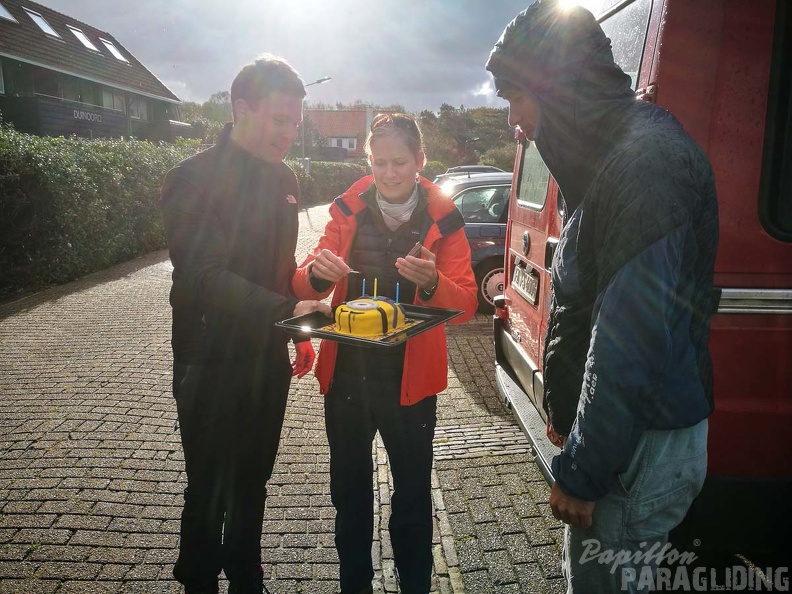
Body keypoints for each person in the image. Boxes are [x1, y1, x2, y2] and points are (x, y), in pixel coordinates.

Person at [486, 1, 719, 592]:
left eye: (517, 97)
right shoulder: (616, 157)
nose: (515, 121)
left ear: (557, 87)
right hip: (630, 448)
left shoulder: (643, 167)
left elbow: (627, 343)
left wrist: (585, 469)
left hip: (635, 457)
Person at [160, 54, 331, 594]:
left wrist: (305, 303)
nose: (288, 133)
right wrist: (286, 313)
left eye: (295, 123)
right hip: (207, 360)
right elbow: (204, 276)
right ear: (240, 110)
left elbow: (278, 271)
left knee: (254, 482)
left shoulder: (285, 179)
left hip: (265, 357)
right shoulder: (191, 179)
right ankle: (199, 580)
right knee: (208, 485)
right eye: (279, 120)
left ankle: (247, 576)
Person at [291, 113, 478, 594]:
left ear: (419, 160)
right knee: (349, 496)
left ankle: (416, 584)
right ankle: (355, 584)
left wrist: (434, 283)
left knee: (413, 496)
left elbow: (465, 306)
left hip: (411, 385)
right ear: (368, 161)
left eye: (400, 162)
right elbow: (302, 280)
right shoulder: (346, 211)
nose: (390, 173)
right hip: (346, 379)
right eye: (379, 162)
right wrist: (318, 275)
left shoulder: (445, 220)